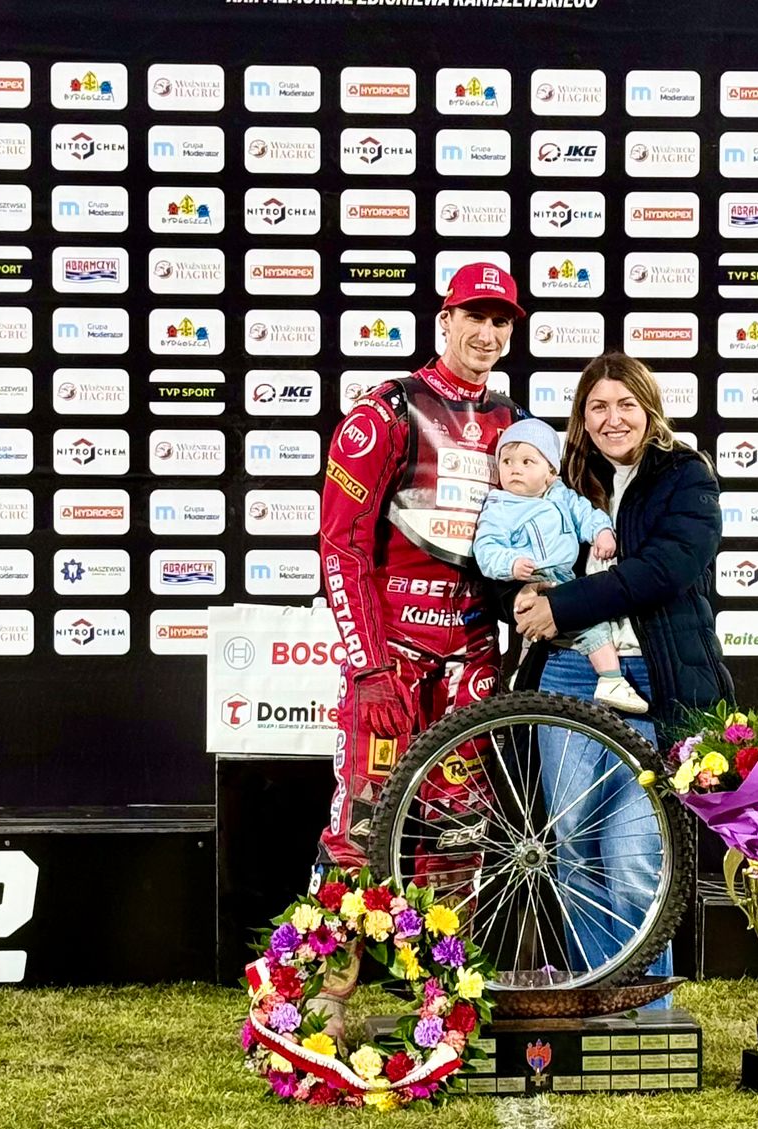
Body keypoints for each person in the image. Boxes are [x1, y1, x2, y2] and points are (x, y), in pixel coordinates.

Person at [307, 262, 526, 1044]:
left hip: (473, 656)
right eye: (475, 316)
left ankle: (441, 995)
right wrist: (369, 665)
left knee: (460, 829)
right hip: (394, 655)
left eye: (500, 321)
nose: (486, 333)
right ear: (445, 319)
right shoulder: (387, 410)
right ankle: (326, 997)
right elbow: (340, 544)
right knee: (362, 826)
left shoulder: (513, 422)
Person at [511, 352, 733, 985]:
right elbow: (506, 550)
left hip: (650, 678)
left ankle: (644, 1012)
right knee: (573, 849)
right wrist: (520, 597)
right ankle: (599, 999)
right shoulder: (560, 478)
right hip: (567, 674)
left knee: (636, 856)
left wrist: (562, 604)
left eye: (626, 404)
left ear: (649, 407)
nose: (613, 419)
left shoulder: (686, 474)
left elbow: (665, 570)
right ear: (581, 417)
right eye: (598, 407)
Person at [472, 418, 647, 714]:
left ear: (551, 471)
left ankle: (525, 675)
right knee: (582, 625)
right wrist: (510, 564)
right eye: (506, 461)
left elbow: (586, 514)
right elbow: (486, 548)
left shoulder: (562, 495)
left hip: (564, 577)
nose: (515, 469)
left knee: (568, 625)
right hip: (533, 578)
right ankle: (611, 679)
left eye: (527, 461)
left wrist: (602, 532)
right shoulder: (499, 506)